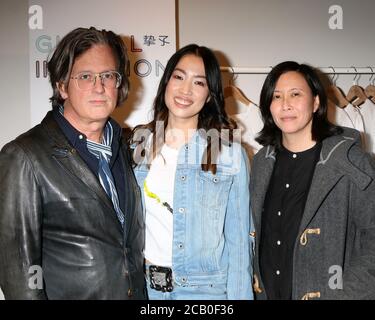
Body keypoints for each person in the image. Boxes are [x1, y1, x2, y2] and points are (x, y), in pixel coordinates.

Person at [0, 27, 146, 299]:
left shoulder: (125, 148)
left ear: (119, 84)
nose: (99, 87)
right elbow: (20, 278)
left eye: (108, 76)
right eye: (85, 76)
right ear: (62, 86)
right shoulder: (25, 156)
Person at [129, 44, 254, 300]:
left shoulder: (228, 154)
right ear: (166, 82)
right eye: (179, 77)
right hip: (147, 289)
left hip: (204, 293)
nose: (185, 90)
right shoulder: (138, 146)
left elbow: (240, 242)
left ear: (209, 95)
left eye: (199, 83)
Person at [251, 61, 375, 300]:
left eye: (295, 94)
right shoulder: (261, 163)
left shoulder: (350, 162)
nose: (285, 104)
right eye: (276, 96)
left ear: (316, 102)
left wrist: (344, 294)